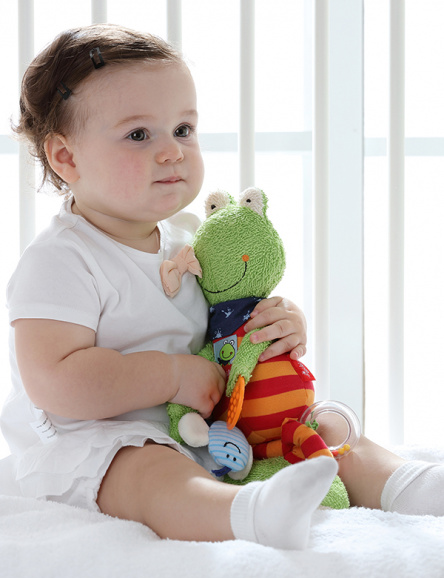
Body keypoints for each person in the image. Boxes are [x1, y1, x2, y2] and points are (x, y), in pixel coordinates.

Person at [0, 23, 338, 551]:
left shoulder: (190, 238)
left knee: (321, 428)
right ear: (66, 158)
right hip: (101, 443)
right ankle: (249, 517)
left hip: (209, 427)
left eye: (183, 129)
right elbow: (54, 382)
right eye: (139, 135)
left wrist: (279, 322)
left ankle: (407, 484)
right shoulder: (61, 259)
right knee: (151, 472)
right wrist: (172, 376)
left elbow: (229, 313)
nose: (172, 152)